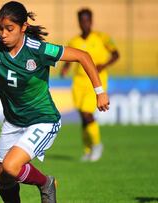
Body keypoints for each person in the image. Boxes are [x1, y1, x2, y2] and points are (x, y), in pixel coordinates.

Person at [0, 1, 109, 203]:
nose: (3, 34)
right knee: (4, 181)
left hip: (43, 119)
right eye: (0, 28)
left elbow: (83, 56)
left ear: (23, 28)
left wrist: (99, 92)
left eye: (9, 29)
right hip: (13, 122)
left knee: (12, 167)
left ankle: (45, 183)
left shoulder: (37, 49)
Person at [61, 8, 119, 162]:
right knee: (83, 116)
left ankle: (97, 145)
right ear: (79, 22)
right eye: (82, 21)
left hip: (95, 81)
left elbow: (116, 54)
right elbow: (69, 58)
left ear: (91, 21)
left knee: (87, 113)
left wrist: (104, 65)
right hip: (79, 81)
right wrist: (65, 69)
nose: (85, 23)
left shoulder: (102, 38)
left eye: (87, 20)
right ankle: (87, 150)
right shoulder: (75, 41)